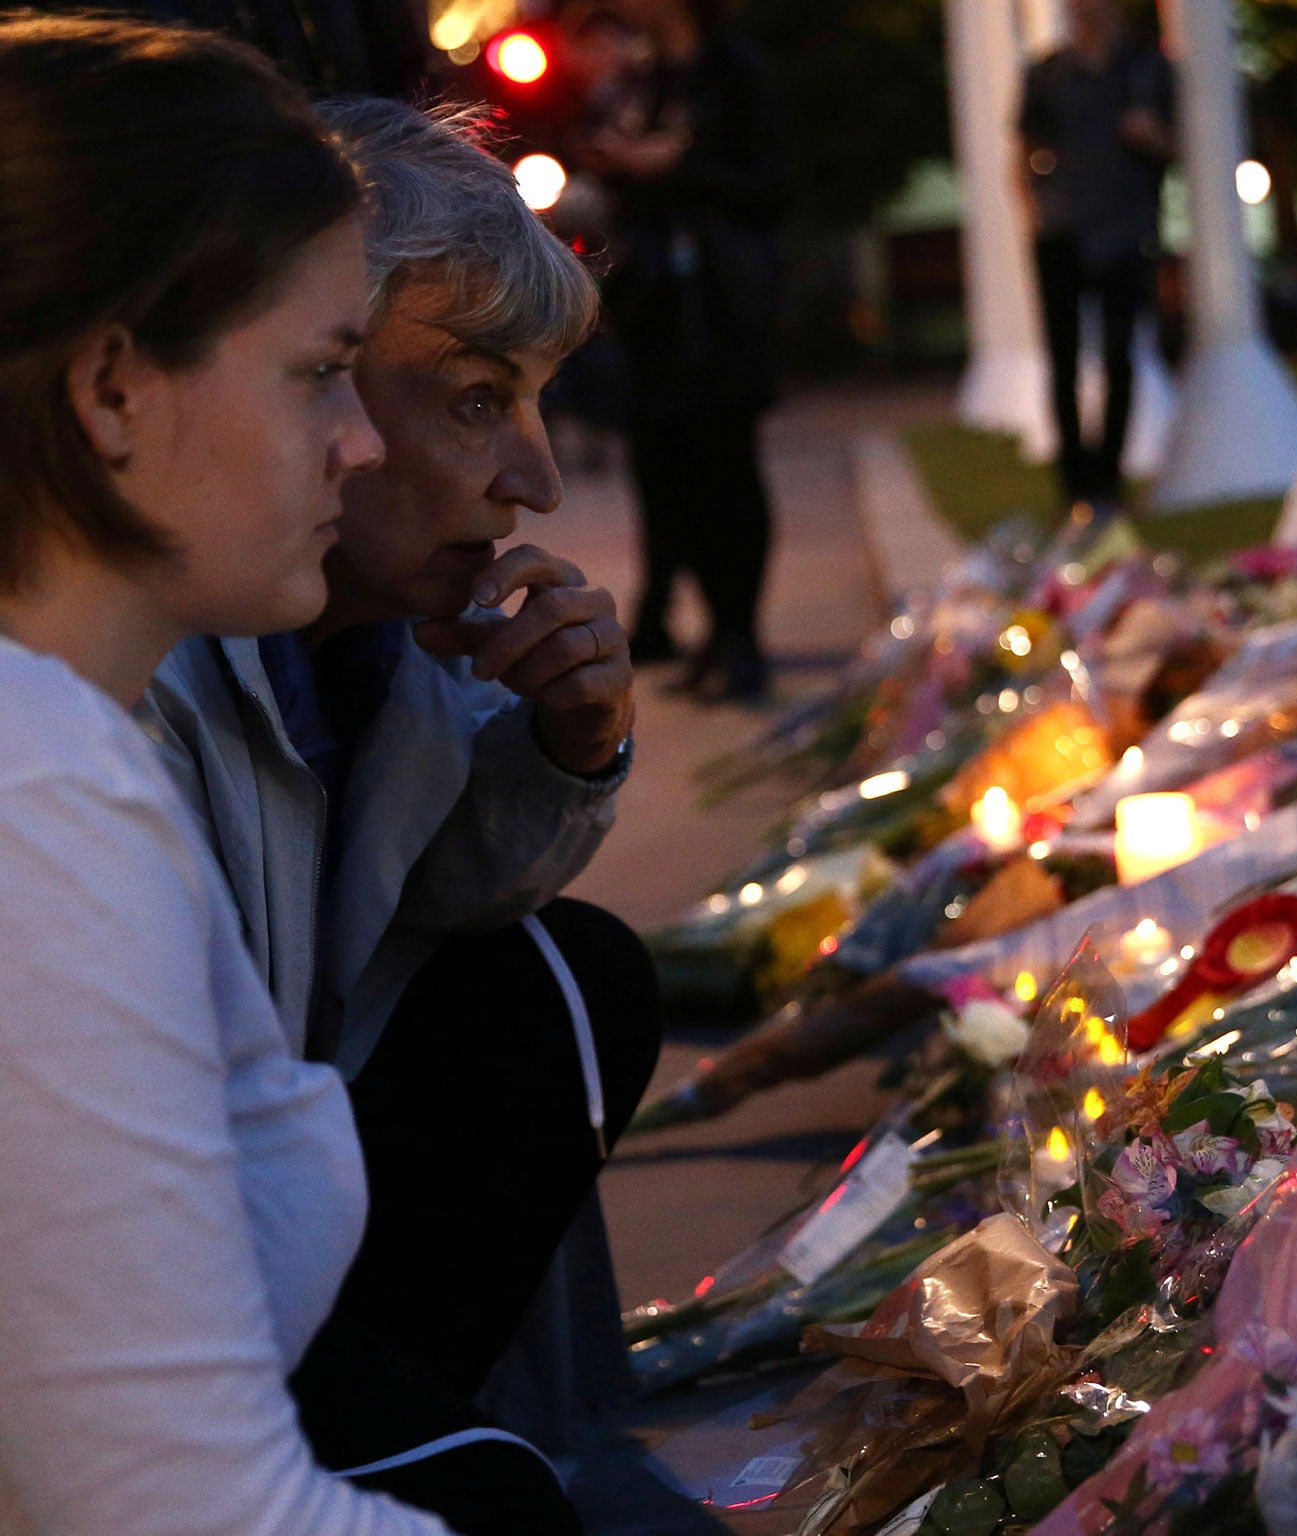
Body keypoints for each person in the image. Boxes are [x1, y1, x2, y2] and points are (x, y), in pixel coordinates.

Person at [143, 99, 661, 1523]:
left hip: (236, 1227)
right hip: (133, 1290)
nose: (537, 481)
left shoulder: (383, 640)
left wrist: (571, 746)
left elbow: (432, 901)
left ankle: (418, 1433)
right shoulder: (115, 679)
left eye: (539, 401)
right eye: (478, 398)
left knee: (569, 976)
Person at [0, 14, 470, 1533]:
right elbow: (189, 1515)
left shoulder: (77, 742)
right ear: (114, 389)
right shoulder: (37, 789)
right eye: (321, 373)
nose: (357, 446)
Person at [586, 0, 783, 701]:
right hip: (655, 307)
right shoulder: (646, 76)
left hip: (721, 304)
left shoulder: (734, 74)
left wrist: (678, 165)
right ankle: (709, 629)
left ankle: (742, 632)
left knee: (727, 467)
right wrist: (620, 162)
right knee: (669, 475)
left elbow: (768, 188)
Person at [1018, 0, 1174, 513]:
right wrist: (1033, 214)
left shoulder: (1146, 70)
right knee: (1061, 361)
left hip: (1124, 230)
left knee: (1118, 357)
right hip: (1062, 230)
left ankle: (1107, 480)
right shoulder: (1047, 74)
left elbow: (1178, 146)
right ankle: (1075, 484)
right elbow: (1022, 148)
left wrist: (1154, 139)